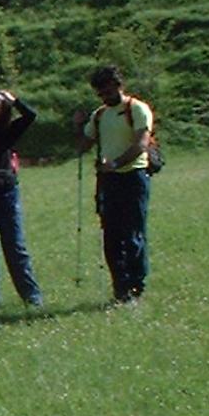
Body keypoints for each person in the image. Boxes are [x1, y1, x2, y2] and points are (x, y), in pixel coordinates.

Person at [75, 64, 154, 304]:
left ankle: (135, 286)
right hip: (108, 181)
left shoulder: (137, 109)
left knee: (133, 234)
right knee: (110, 236)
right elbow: (83, 145)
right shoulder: (99, 115)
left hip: (133, 177)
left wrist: (116, 163)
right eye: (100, 94)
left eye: (108, 92)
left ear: (119, 86)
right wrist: (78, 125)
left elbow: (141, 144)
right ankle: (119, 288)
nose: (104, 97)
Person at [0, 90, 44, 307]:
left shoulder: (8, 130)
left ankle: (31, 296)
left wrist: (15, 101)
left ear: (4, 109)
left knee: (14, 245)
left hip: (6, 193)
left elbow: (30, 116)